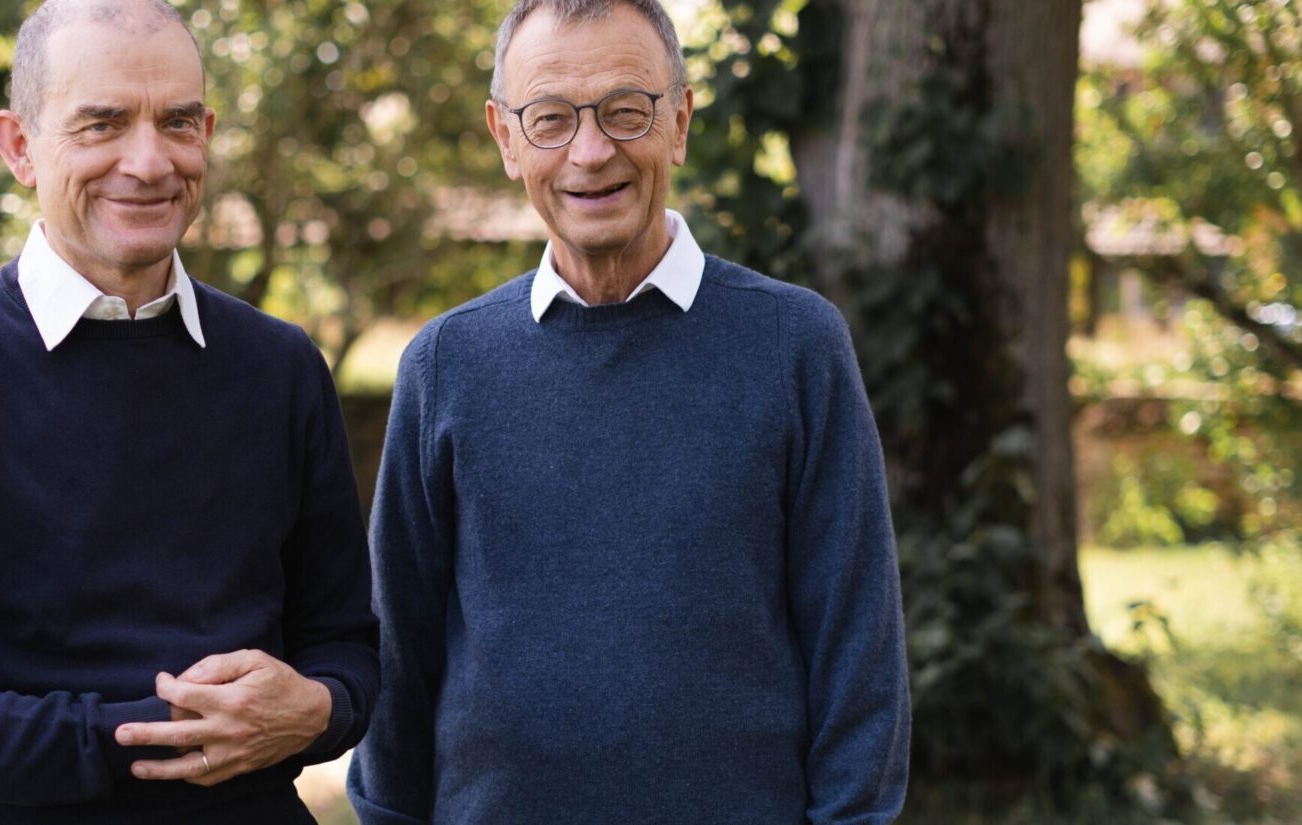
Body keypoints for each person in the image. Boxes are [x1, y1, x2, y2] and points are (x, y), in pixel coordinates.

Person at [0, 2, 377, 822]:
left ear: (208, 134)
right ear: (19, 146)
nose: (148, 162)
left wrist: (316, 708)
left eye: (177, 122)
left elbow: (348, 653)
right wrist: (152, 735)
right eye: (102, 124)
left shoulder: (282, 368)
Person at [347, 0, 910, 822]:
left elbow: (858, 655)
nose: (590, 151)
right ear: (506, 139)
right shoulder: (445, 364)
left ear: (678, 121)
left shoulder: (795, 345)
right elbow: (398, 653)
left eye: (625, 111)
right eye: (550, 119)